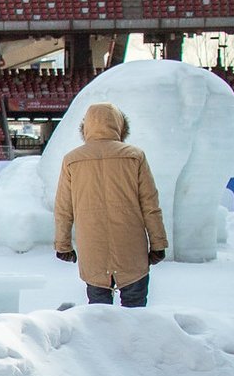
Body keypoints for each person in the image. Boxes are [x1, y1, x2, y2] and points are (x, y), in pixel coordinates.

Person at [54, 102, 168, 308]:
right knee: (136, 316)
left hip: (93, 249)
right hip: (131, 249)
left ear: (86, 126)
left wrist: (63, 246)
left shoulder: (72, 160)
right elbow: (150, 205)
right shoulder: (135, 156)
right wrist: (158, 244)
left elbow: (64, 209)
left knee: (99, 316)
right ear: (120, 125)